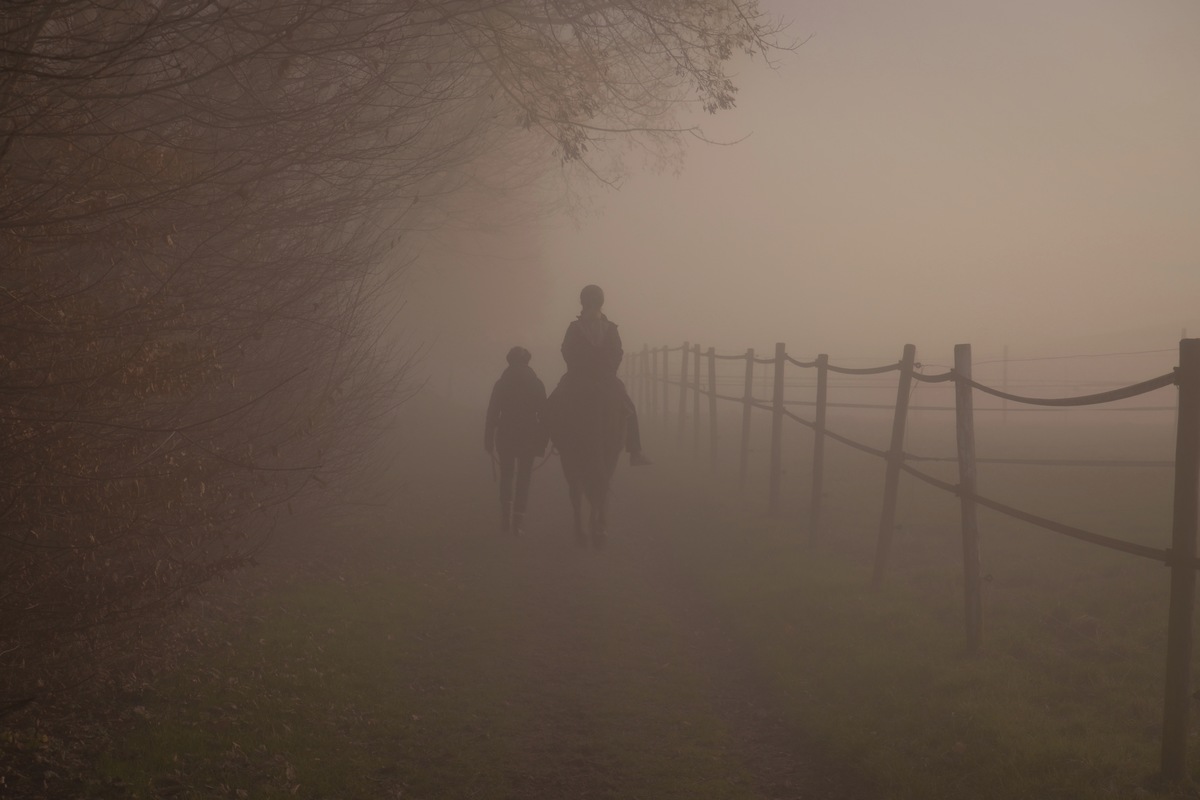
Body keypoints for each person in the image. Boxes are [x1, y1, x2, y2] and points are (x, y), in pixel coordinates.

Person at [557, 284, 652, 466]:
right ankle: (635, 451)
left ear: (582, 302)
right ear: (601, 303)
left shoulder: (575, 327)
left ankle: (547, 441)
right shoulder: (610, 328)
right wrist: (607, 370)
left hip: (578, 377)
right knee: (628, 408)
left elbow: (566, 351)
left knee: (552, 404)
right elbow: (617, 352)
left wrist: (578, 368)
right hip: (605, 378)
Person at [484, 346, 549, 535]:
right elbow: (544, 415)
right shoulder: (537, 384)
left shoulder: (501, 383)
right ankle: (518, 523)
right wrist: (542, 442)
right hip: (528, 435)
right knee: (524, 477)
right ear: (527, 361)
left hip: (506, 434)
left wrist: (488, 440)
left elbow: (492, 413)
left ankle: (506, 520)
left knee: (506, 474)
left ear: (509, 361)